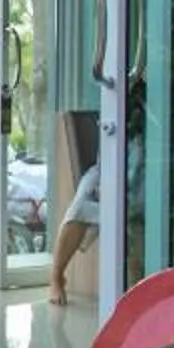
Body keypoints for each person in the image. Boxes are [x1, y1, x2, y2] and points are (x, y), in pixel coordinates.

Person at [49, 76, 145, 305]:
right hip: (105, 171)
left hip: (141, 183)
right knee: (81, 205)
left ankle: (137, 291)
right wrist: (107, 186)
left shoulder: (158, 124)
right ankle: (55, 277)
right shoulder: (114, 112)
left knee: (130, 218)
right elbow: (107, 157)